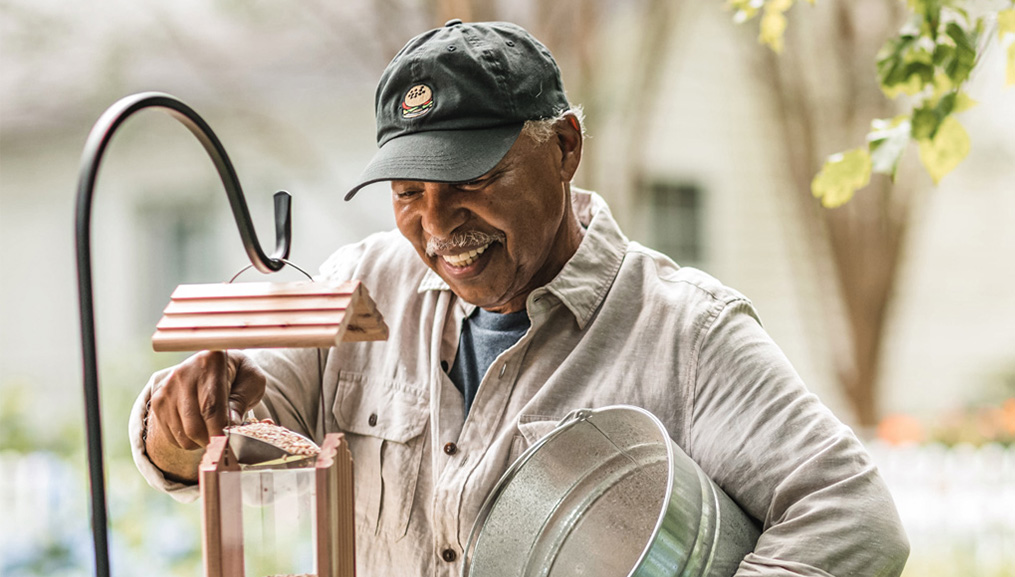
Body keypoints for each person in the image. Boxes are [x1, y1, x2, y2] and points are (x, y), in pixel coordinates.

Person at [130, 19, 909, 577]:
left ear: (564, 146)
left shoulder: (684, 331)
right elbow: (215, 445)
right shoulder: (358, 287)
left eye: (472, 179)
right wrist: (181, 422)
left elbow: (851, 516)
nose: (436, 225)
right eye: (409, 191)